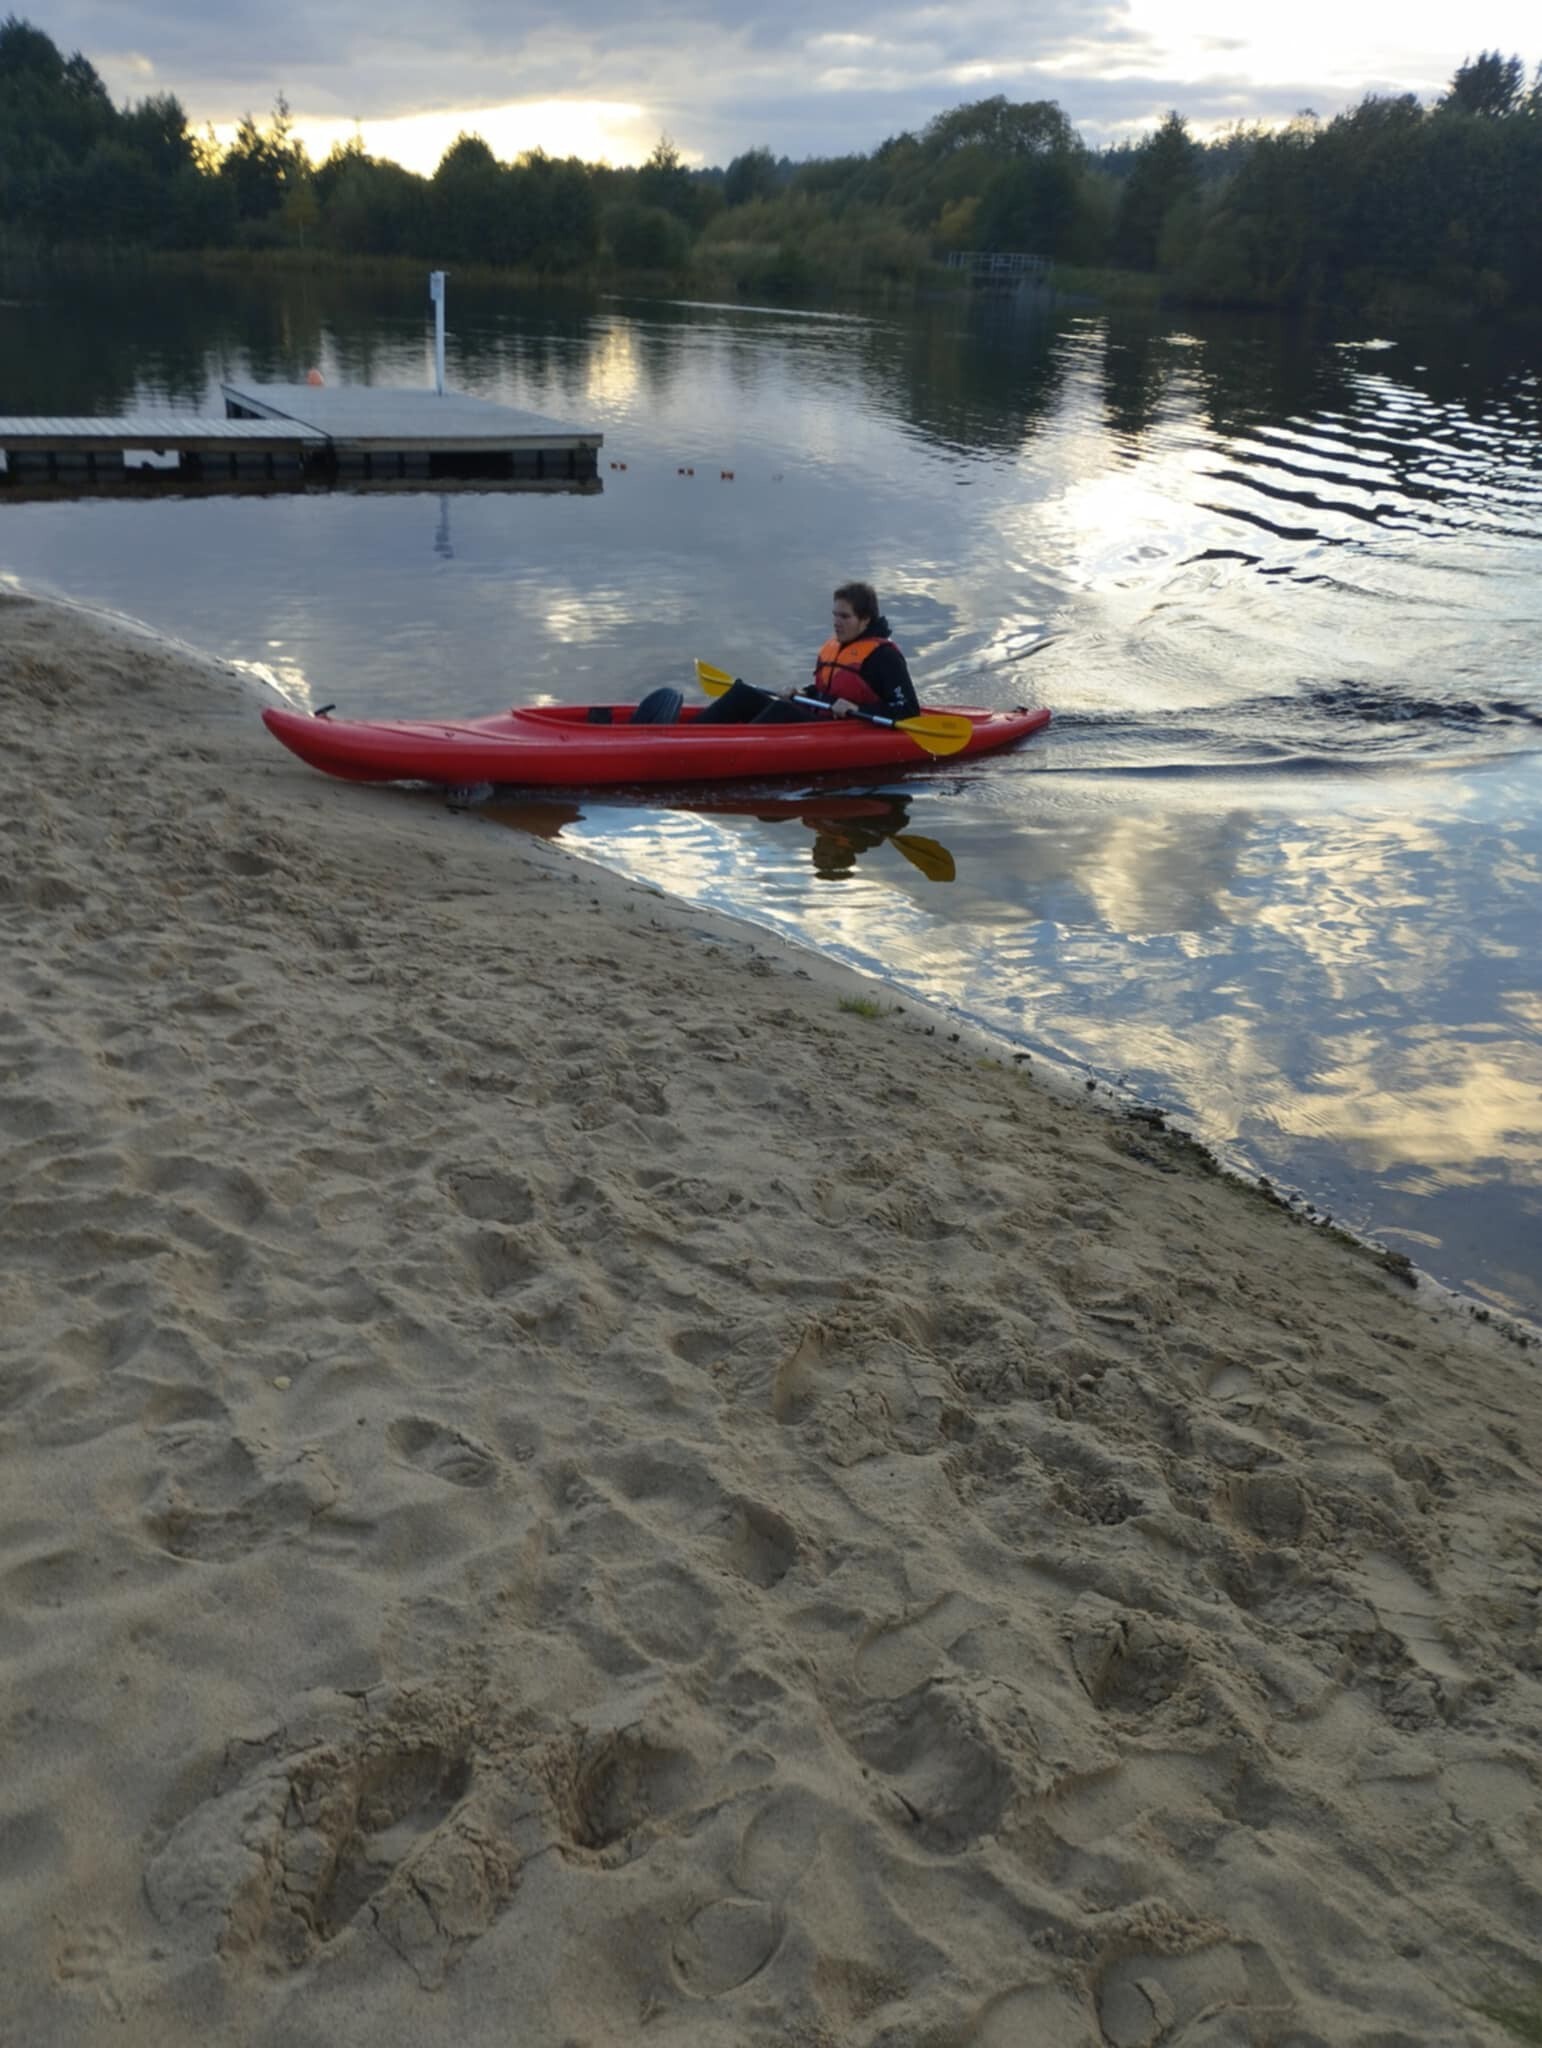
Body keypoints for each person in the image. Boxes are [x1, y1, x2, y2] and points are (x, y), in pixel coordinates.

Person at [697, 583, 921, 725]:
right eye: (835, 615)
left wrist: (858, 709)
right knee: (742, 693)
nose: (836, 622)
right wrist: (803, 692)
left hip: (841, 730)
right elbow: (825, 690)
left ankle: (729, 747)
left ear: (865, 620)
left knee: (782, 710)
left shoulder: (884, 657)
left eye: (844, 617)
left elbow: (909, 711)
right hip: (817, 717)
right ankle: (688, 734)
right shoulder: (838, 646)